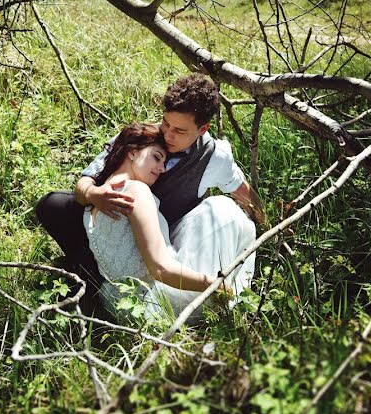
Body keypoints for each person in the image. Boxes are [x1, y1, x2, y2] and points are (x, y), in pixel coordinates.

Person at [35, 73, 264, 309]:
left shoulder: (214, 158)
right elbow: (85, 182)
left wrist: (267, 224)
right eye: (166, 123)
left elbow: (243, 192)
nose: (168, 134)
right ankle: (85, 269)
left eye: (180, 130)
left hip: (170, 234)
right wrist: (95, 195)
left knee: (222, 211)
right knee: (53, 205)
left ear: (203, 129)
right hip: (118, 224)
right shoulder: (141, 138)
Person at [82, 123, 256, 321]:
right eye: (156, 157)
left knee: (206, 215)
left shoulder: (93, 202)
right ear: (132, 152)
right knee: (222, 208)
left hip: (121, 306)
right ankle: (234, 300)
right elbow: (160, 269)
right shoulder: (136, 191)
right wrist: (214, 284)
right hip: (159, 302)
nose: (162, 168)